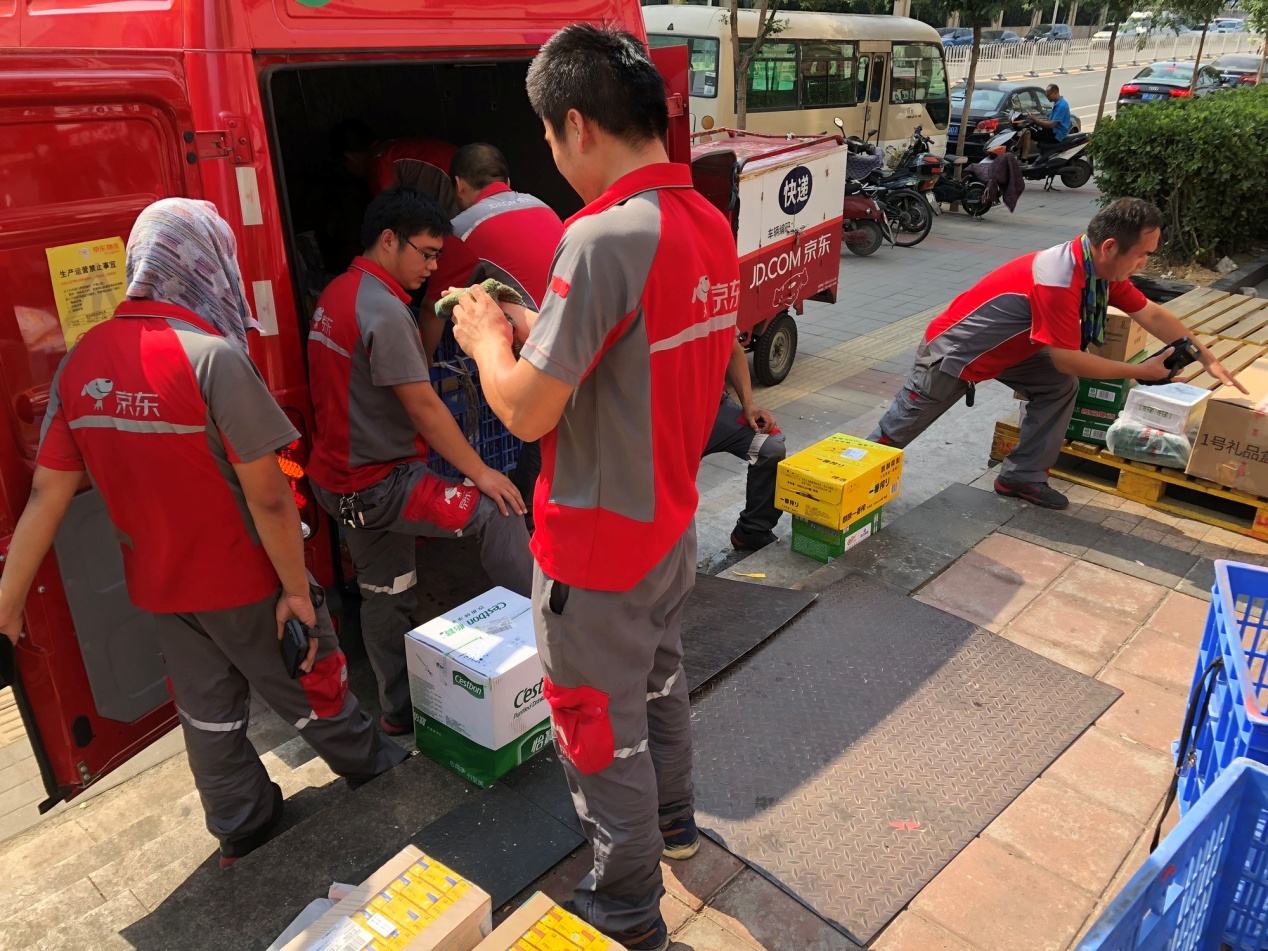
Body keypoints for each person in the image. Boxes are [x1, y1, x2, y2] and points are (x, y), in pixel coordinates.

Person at [0, 199, 406, 869]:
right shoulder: (211, 358)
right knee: (314, 689)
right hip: (246, 580)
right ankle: (383, 775)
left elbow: (47, 492)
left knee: (209, 717)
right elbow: (272, 496)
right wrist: (297, 592)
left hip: (163, 588)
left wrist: (9, 605)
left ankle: (243, 822)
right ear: (206, 262)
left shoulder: (81, 364)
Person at [449, 25, 739, 951]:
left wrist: (489, 340)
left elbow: (531, 411)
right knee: (660, 686)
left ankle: (627, 911)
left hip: (594, 551)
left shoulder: (603, 235)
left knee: (595, 733)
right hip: (667, 527)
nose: (551, 153)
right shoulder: (705, 222)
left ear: (576, 123)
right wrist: (538, 325)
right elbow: (628, 359)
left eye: (547, 135)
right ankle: (679, 826)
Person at [305, 186, 533, 738]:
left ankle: (398, 712)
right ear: (389, 240)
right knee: (498, 510)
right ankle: (557, 637)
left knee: (388, 590)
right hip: (384, 481)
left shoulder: (336, 294)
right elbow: (426, 407)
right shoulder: (383, 310)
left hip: (339, 486)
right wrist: (481, 473)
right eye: (426, 254)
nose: (432, 267)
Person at [869, 198, 1246, 511]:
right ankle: (834, 488)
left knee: (1057, 386)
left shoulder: (1096, 270)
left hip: (1014, 349)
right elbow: (1066, 356)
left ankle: (1022, 476)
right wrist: (1140, 371)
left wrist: (1205, 356)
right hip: (954, 355)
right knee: (892, 436)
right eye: (1142, 255)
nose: (1144, 264)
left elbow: (1151, 312)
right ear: (1111, 247)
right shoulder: (1060, 277)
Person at [707, 340, 787, 551]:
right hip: (668, 420)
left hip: (716, 414)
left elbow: (732, 349)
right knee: (669, 486)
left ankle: (751, 531)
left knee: (769, 448)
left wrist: (749, 405)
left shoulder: (713, 308)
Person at [1020, 83, 1072, 160]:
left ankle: (1024, 158)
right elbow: (1049, 120)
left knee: (1028, 131)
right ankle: (1018, 150)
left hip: (1056, 134)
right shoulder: (1058, 103)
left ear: (1055, 93)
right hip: (1053, 130)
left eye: (1048, 95)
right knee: (1029, 126)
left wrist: (1035, 120)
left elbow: (1051, 125)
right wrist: (1035, 120)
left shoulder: (1061, 105)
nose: (1047, 98)